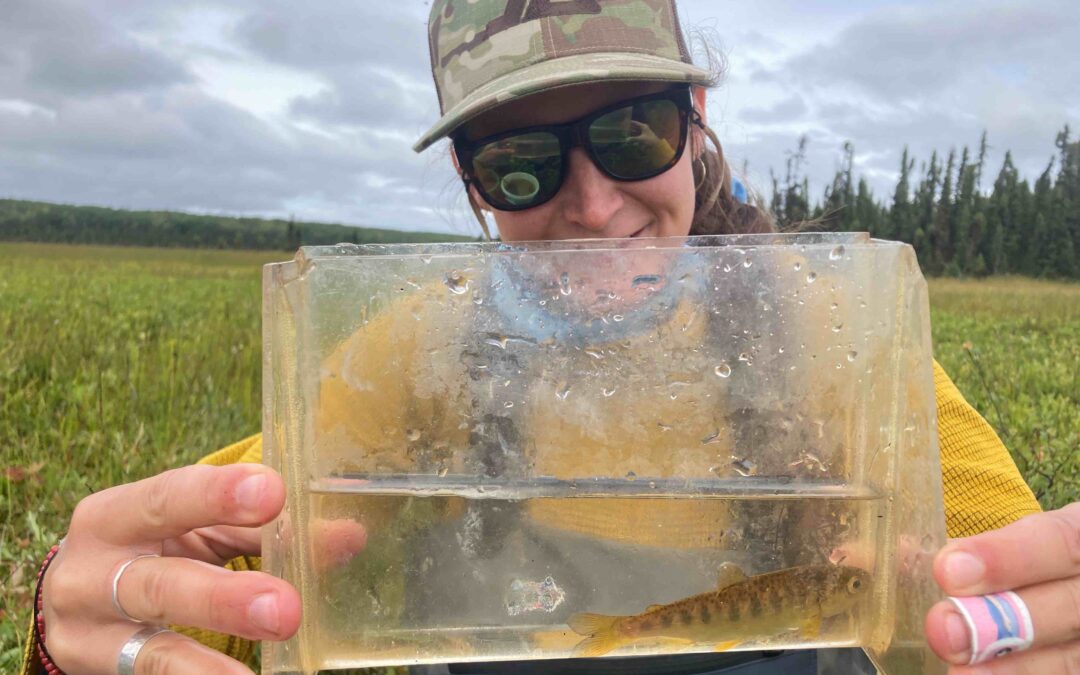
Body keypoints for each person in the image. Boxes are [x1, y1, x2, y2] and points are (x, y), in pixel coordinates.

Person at [23, 1, 1079, 674]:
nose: (590, 205)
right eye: (521, 161)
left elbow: (1001, 578)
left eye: (633, 134)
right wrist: (86, 610)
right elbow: (224, 554)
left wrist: (1032, 623)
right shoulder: (417, 347)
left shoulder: (833, 322)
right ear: (470, 183)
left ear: (696, 120)